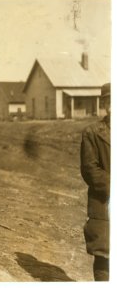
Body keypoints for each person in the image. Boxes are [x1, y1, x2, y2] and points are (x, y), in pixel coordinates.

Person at [80, 82, 111, 281]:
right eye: (109, 101)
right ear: (105, 105)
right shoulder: (92, 133)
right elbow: (90, 170)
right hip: (104, 202)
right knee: (104, 255)